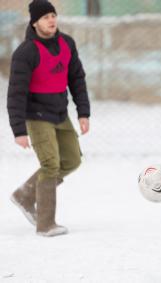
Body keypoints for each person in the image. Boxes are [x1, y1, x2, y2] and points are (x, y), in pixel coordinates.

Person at [7, 0, 90, 237]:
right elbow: (16, 94)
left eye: (53, 15)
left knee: (72, 160)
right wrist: (19, 130)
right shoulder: (26, 52)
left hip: (60, 113)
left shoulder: (67, 44)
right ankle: (45, 224)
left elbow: (77, 79)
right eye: (45, 17)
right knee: (50, 165)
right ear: (34, 23)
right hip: (36, 115)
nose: (51, 20)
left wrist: (83, 112)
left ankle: (25, 195)